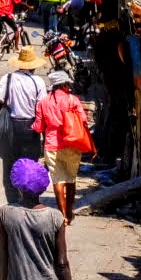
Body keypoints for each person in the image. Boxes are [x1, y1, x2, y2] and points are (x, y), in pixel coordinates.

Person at [0, 47, 50, 205]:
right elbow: (41, 108)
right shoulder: (38, 82)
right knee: (30, 166)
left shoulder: (8, 78)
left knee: (10, 165)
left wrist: (7, 106)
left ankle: (13, 202)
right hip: (31, 128)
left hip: (11, 127)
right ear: (33, 65)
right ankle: (28, 201)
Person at [32, 69, 92, 220]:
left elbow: (39, 127)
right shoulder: (73, 100)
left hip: (51, 145)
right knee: (71, 179)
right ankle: (70, 212)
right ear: (64, 85)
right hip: (72, 144)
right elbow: (84, 120)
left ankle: (62, 214)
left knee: (58, 179)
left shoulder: (43, 102)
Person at [91, 12, 133, 165]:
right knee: (115, 118)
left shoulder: (100, 39)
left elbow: (99, 61)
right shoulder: (116, 39)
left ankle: (104, 151)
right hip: (117, 82)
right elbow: (124, 61)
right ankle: (111, 153)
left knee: (108, 116)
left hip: (108, 80)